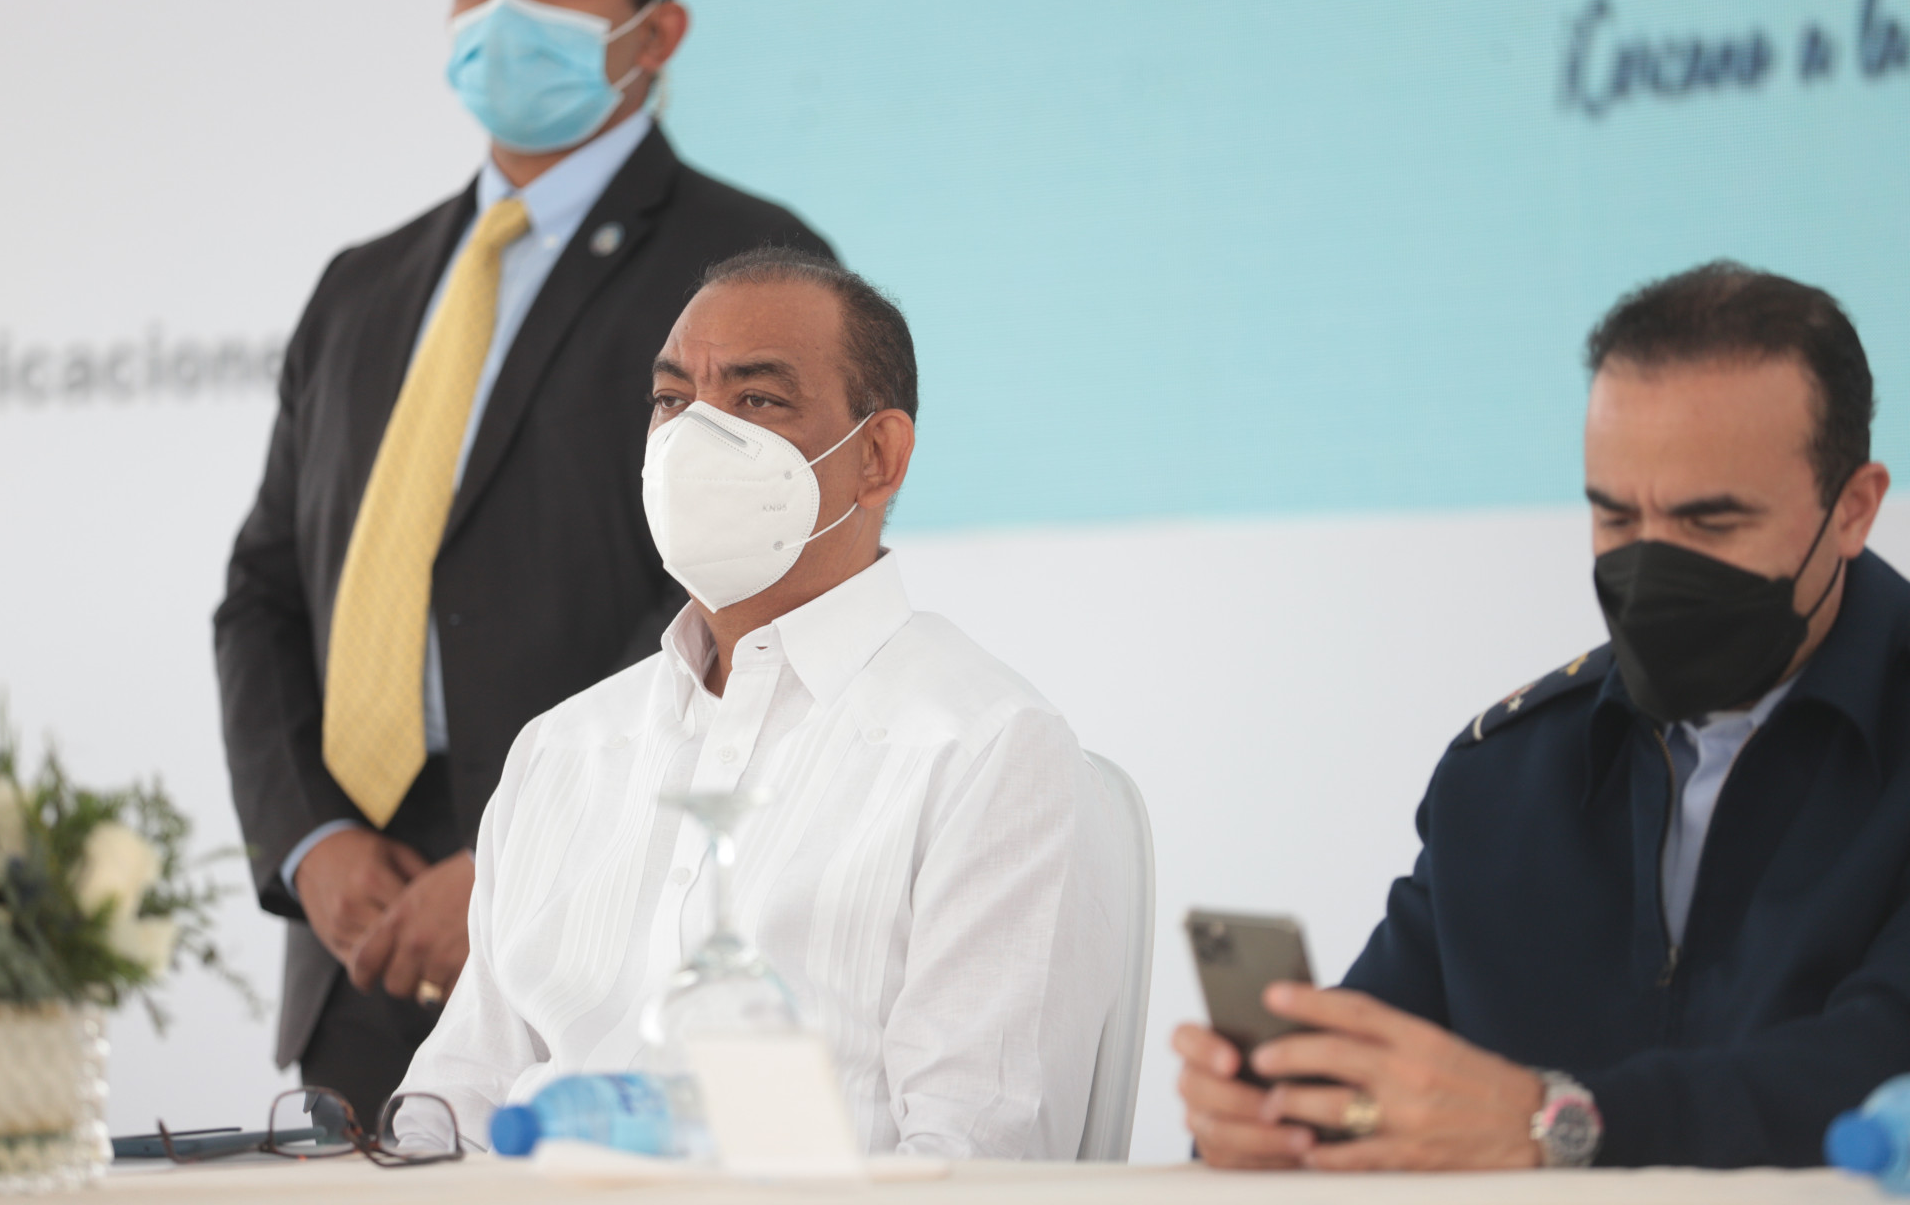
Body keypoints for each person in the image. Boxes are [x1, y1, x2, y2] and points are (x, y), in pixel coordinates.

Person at [213, 0, 832, 1127]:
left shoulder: (756, 272)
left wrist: (521, 858)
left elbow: (760, 589)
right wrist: (310, 840)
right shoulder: (360, 286)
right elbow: (264, 592)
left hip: (614, 925)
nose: (505, 5)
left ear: (657, 32)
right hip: (363, 943)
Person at [395, 248, 1126, 1158]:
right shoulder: (562, 750)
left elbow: (971, 1159)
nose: (694, 439)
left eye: (756, 400)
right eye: (672, 401)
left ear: (877, 457)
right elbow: (453, 1100)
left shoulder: (984, 751)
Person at [1175, 261, 1906, 1170]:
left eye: (1710, 524)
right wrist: (1272, 1122)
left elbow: (1876, 1069)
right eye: (1616, 518)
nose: (1652, 566)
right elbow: (1379, 1070)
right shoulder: (1503, 779)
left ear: (1854, 510)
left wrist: (1558, 1122)